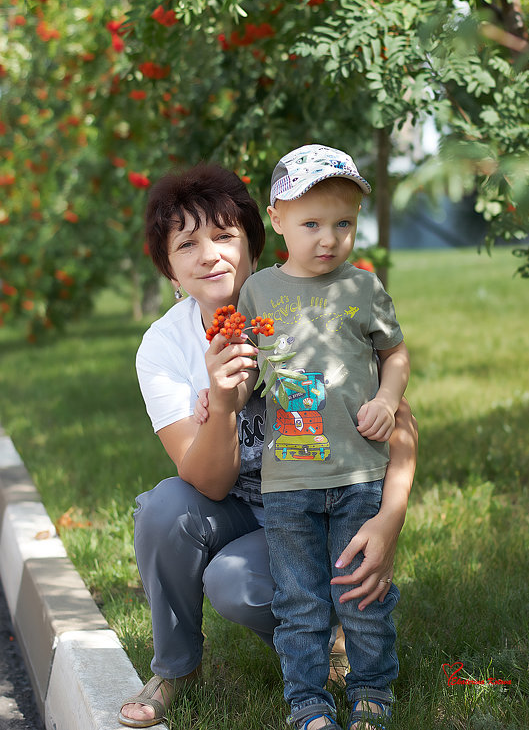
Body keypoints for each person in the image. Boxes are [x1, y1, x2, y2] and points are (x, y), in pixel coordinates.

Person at [118, 161, 417, 729]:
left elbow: (399, 420)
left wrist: (390, 522)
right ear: (171, 272)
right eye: (187, 245)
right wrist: (224, 405)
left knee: (233, 581)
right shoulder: (163, 347)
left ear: (258, 244)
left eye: (225, 236)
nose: (210, 255)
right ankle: (177, 668)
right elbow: (205, 482)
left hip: (319, 503)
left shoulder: (305, 304)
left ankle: (330, 636)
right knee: (162, 508)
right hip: (238, 503)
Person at [236, 144, 410, 730]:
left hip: (360, 473)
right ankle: (307, 702)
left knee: (361, 594)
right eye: (311, 224)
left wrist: (386, 398)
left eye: (343, 223)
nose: (328, 238)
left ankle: (371, 692)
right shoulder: (258, 290)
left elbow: (395, 353)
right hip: (288, 480)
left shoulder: (363, 288)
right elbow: (246, 370)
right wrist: (224, 392)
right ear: (277, 219)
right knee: (300, 603)